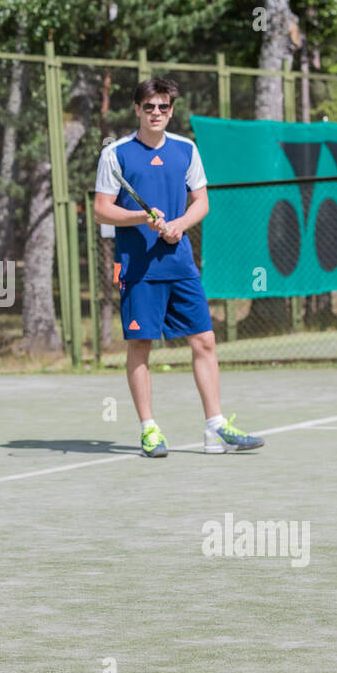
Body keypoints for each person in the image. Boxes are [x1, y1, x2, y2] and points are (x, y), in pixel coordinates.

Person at [92, 77, 264, 458]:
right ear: (137, 109)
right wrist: (141, 216)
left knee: (204, 340)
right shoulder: (116, 154)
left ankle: (215, 427)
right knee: (140, 344)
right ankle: (149, 429)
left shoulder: (186, 149)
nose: (156, 113)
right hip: (138, 267)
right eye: (149, 106)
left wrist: (179, 225)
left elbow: (201, 202)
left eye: (163, 107)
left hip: (180, 262)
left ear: (172, 110)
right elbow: (102, 208)